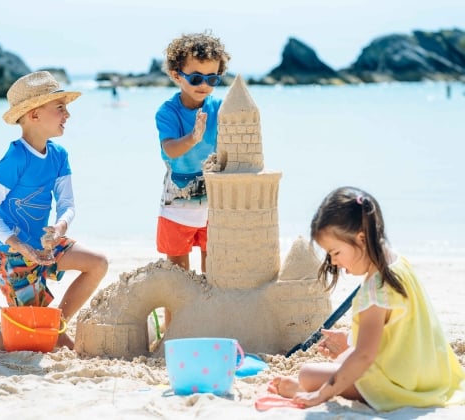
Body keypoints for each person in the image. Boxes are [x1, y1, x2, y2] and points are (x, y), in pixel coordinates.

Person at [0, 71, 108, 352]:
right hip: (8, 254)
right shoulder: (16, 157)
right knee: (30, 340)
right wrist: (17, 244)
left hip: (44, 246)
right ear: (34, 115)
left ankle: (56, 325)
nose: (68, 115)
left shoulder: (59, 156)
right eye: (60, 108)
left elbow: (67, 205)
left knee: (97, 263)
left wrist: (60, 228)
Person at [267, 186, 465, 411]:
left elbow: (364, 356)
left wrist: (321, 394)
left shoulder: (374, 291)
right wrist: (351, 339)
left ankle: (304, 390)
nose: (333, 262)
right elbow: (396, 327)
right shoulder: (396, 264)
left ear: (361, 239)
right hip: (426, 370)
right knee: (344, 359)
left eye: (336, 252)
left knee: (308, 374)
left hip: (401, 384)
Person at [154, 31, 230, 329]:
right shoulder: (168, 111)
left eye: (212, 79)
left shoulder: (219, 108)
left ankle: (211, 322)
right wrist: (194, 137)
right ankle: (175, 326)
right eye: (196, 78)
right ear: (176, 75)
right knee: (178, 272)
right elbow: (170, 149)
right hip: (178, 201)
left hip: (214, 201)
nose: (205, 85)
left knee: (214, 266)